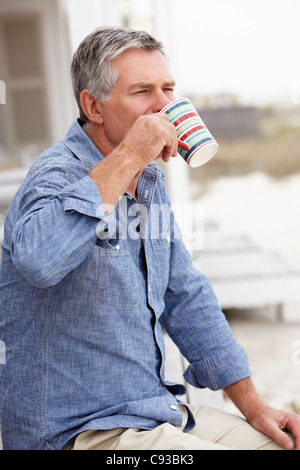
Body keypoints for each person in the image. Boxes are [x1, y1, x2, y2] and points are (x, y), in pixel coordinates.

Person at [0, 25, 299, 451]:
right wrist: (129, 156)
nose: (164, 105)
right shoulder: (53, 175)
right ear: (94, 106)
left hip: (155, 409)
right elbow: (38, 261)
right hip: (78, 431)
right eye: (143, 91)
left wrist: (254, 407)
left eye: (169, 88)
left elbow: (187, 296)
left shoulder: (148, 182)